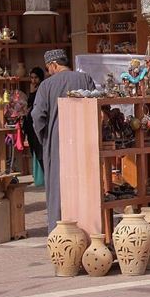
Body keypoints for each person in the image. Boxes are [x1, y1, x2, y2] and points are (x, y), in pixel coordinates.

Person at [32, 49, 96, 232]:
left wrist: (45, 139)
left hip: (57, 143)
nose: (48, 71)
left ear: (53, 65)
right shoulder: (85, 79)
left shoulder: (46, 86)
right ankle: (89, 229)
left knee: (58, 187)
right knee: (86, 185)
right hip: (85, 141)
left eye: (48, 68)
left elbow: (38, 117)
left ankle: (59, 233)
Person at [23, 67, 45, 172]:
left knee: (40, 150)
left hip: (39, 124)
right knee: (34, 150)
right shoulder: (33, 89)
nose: (33, 80)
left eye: (36, 78)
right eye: (31, 78)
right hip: (30, 125)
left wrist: (32, 93)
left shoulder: (42, 88)